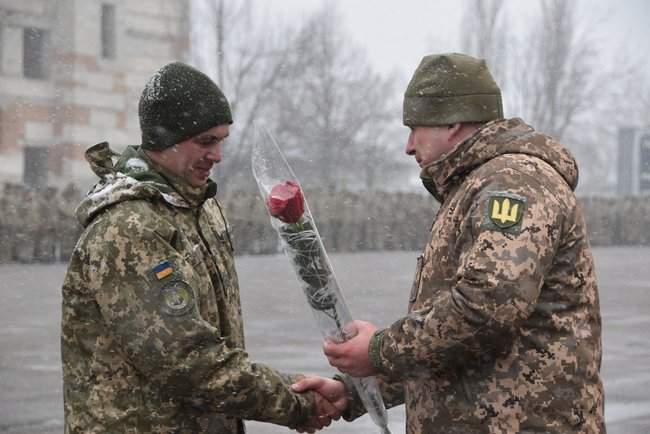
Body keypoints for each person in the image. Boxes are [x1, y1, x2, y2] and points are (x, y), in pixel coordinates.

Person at [294, 53, 606, 433]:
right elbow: (457, 346)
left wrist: (380, 350)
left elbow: (488, 308)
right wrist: (355, 391)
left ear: (453, 122)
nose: (408, 146)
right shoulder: (474, 186)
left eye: (415, 128)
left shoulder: (513, 183)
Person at [60, 61, 344, 434]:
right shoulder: (130, 227)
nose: (218, 155)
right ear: (165, 138)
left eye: (221, 141)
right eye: (206, 141)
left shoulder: (199, 206)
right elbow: (184, 360)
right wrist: (295, 403)